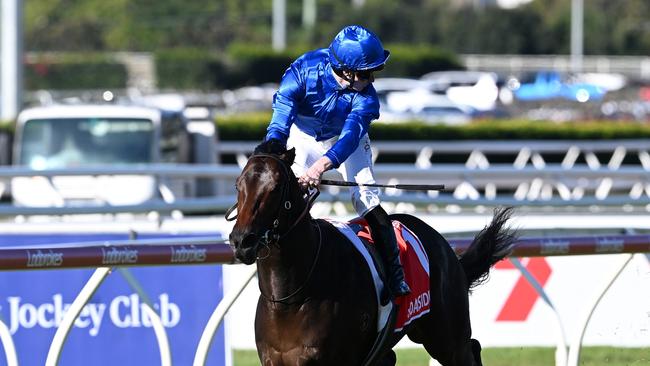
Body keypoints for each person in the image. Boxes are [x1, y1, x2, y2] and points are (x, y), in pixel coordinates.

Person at [264, 25, 411, 301]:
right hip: (303, 136)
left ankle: (395, 274)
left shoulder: (367, 99)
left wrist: (321, 166)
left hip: (346, 142)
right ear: (346, 71)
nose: (372, 81)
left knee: (366, 199)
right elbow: (282, 114)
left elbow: (350, 137)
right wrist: (274, 149)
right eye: (367, 73)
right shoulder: (302, 71)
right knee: (290, 201)